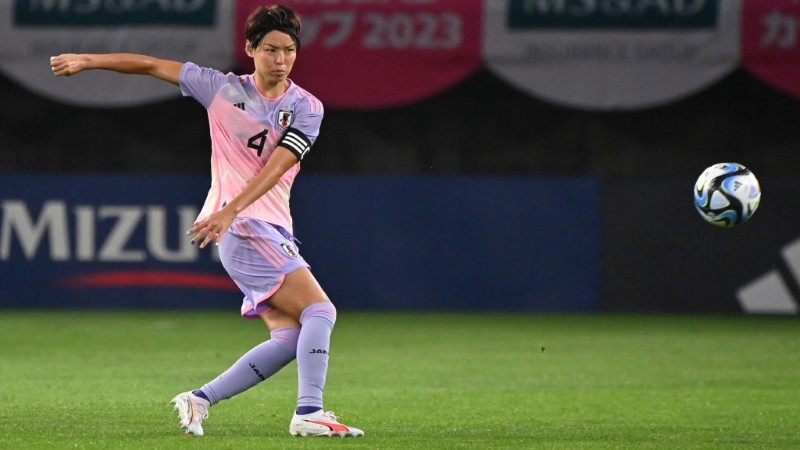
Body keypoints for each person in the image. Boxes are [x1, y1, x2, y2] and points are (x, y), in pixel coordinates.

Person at [50, 4, 363, 438]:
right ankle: (310, 411)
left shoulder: (306, 106)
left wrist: (230, 211)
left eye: (289, 50)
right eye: (271, 49)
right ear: (250, 48)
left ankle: (200, 398)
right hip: (244, 227)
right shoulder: (221, 89)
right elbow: (151, 64)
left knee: (290, 338)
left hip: (261, 225)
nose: (281, 59)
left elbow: (278, 165)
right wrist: (88, 60)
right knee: (320, 310)